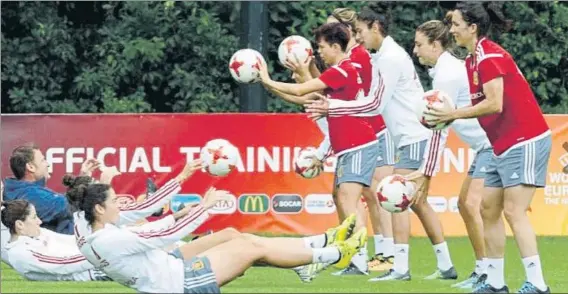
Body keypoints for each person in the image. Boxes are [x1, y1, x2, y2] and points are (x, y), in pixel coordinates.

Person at [305, 7, 457, 282]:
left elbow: (375, 104)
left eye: (361, 31)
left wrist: (334, 107)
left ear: (375, 27)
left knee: (395, 200)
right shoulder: (382, 56)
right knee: (418, 204)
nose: (359, 38)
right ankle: (446, 266)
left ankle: (400, 269)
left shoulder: (389, 58)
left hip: (414, 136)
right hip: (411, 136)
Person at [71, 168, 366, 293]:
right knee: (252, 248)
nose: (120, 206)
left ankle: (316, 246)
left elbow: (152, 232)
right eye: (113, 202)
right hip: (178, 283)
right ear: (98, 209)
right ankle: (335, 253)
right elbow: (160, 236)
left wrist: (179, 214)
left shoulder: (86, 230)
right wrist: (205, 206)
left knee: (237, 237)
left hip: (169, 267)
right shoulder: (111, 238)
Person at [427, 2, 551, 293]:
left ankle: (537, 283)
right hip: (501, 145)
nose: (452, 29)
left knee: (513, 211)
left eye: (456, 24)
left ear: (473, 28)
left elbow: (494, 103)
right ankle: (495, 283)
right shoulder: (472, 59)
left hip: (525, 139)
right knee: (487, 208)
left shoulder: (487, 56)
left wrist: (451, 114)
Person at [279, 8, 395, 277]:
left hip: (374, 130)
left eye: (336, 29)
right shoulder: (346, 60)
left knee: (374, 196)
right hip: (355, 131)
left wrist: (304, 74)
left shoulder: (358, 58)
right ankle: (358, 255)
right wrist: (307, 70)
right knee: (347, 195)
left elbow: (322, 94)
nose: (332, 33)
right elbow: (322, 93)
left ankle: (383, 257)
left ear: (350, 33)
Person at [413, 18, 494, 289]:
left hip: (494, 143)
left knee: (473, 205)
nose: (416, 50)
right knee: (465, 205)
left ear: (436, 45)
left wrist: (426, 173)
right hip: (485, 146)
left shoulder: (447, 74)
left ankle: (489, 275)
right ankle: (483, 269)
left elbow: (439, 128)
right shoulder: (443, 71)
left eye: (419, 44)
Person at [1, 199, 111, 281]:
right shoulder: (20, 253)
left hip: (101, 265)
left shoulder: (39, 233)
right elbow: (63, 265)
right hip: (95, 272)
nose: (39, 221)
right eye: (34, 217)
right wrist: (100, 255)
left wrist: (101, 240)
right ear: (20, 224)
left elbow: (72, 240)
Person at [3, 144, 99, 234]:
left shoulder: (21, 190)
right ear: (30, 167)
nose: (47, 164)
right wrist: (101, 184)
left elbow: (66, 201)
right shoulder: (31, 195)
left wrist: (83, 177)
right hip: (63, 248)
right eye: (43, 160)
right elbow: (70, 205)